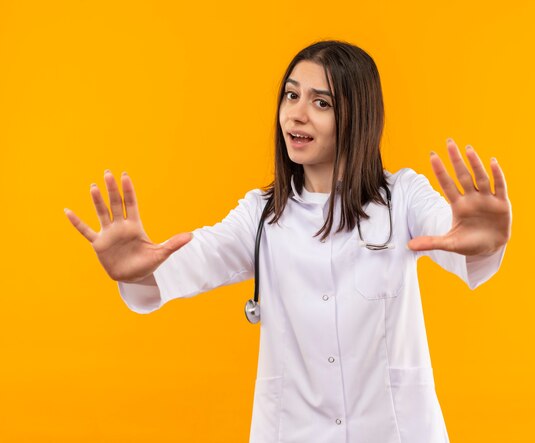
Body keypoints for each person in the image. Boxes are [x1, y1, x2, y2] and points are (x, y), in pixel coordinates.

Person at [65, 40, 511, 443]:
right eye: (291, 95)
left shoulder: (404, 198)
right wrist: (140, 267)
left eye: (321, 102)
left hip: (395, 430)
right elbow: (189, 261)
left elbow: (454, 240)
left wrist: (484, 242)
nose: (296, 113)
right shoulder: (261, 215)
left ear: (358, 116)